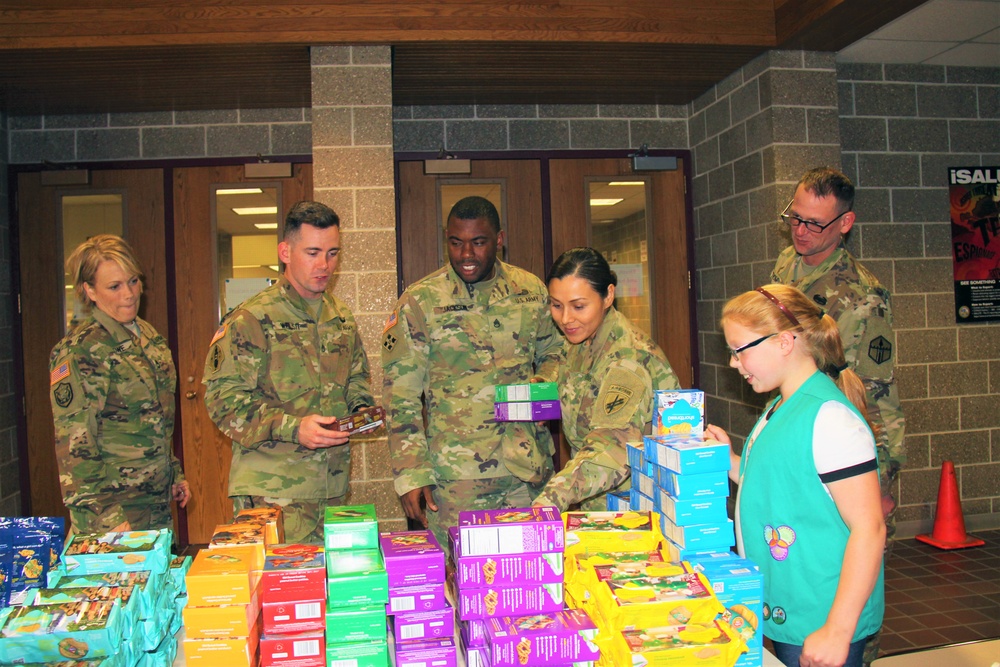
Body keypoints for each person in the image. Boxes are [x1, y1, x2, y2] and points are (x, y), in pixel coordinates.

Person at [705, 285, 884, 667]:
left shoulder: (830, 418)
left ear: (785, 341)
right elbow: (781, 484)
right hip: (792, 604)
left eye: (740, 351)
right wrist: (730, 460)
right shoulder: (779, 407)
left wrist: (837, 629)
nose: (735, 364)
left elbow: (870, 529)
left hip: (822, 614)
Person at [382, 196, 563, 548]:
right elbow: (400, 396)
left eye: (478, 242)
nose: (466, 254)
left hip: (526, 473)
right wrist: (410, 474)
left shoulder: (531, 291)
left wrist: (544, 387)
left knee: (530, 579)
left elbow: (556, 353)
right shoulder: (421, 301)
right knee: (459, 585)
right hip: (455, 482)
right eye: (455, 242)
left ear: (499, 240)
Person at [203, 201, 374, 544]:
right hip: (274, 491)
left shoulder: (339, 315)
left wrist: (361, 411)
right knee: (283, 591)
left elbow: (356, 376)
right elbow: (224, 403)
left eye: (332, 253)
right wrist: (294, 428)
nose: (324, 265)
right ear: (285, 251)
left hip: (330, 485)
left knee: (327, 590)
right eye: (312, 252)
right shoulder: (251, 319)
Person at [770, 167, 904, 545]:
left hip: (834, 443)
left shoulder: (862, 298)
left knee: (844, 559)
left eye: (814, 224)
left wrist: (879, 480)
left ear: (845, 223)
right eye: (794, 217)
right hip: (793, 430)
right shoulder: (787, 264)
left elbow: (874, 394)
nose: (799, 230)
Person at [50, 234, 190, 534]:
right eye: (114, 286)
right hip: (112, 512)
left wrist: (174, 472)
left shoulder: (147, 336)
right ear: (90, 291)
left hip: (154, 503)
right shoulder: (81, 350)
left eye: (133, 281)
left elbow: (156, 419)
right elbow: (74, 446)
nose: (129, 294)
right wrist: (106, 517)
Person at [532, 247, 679, 510]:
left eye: (578, 306)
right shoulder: (580, 339)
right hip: (598, 503)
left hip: (634, 508)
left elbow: (611, 448)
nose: (566, 319)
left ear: (608, 295)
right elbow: (576, 383)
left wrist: (551, 498)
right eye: (556, 306)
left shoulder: (627, 359)